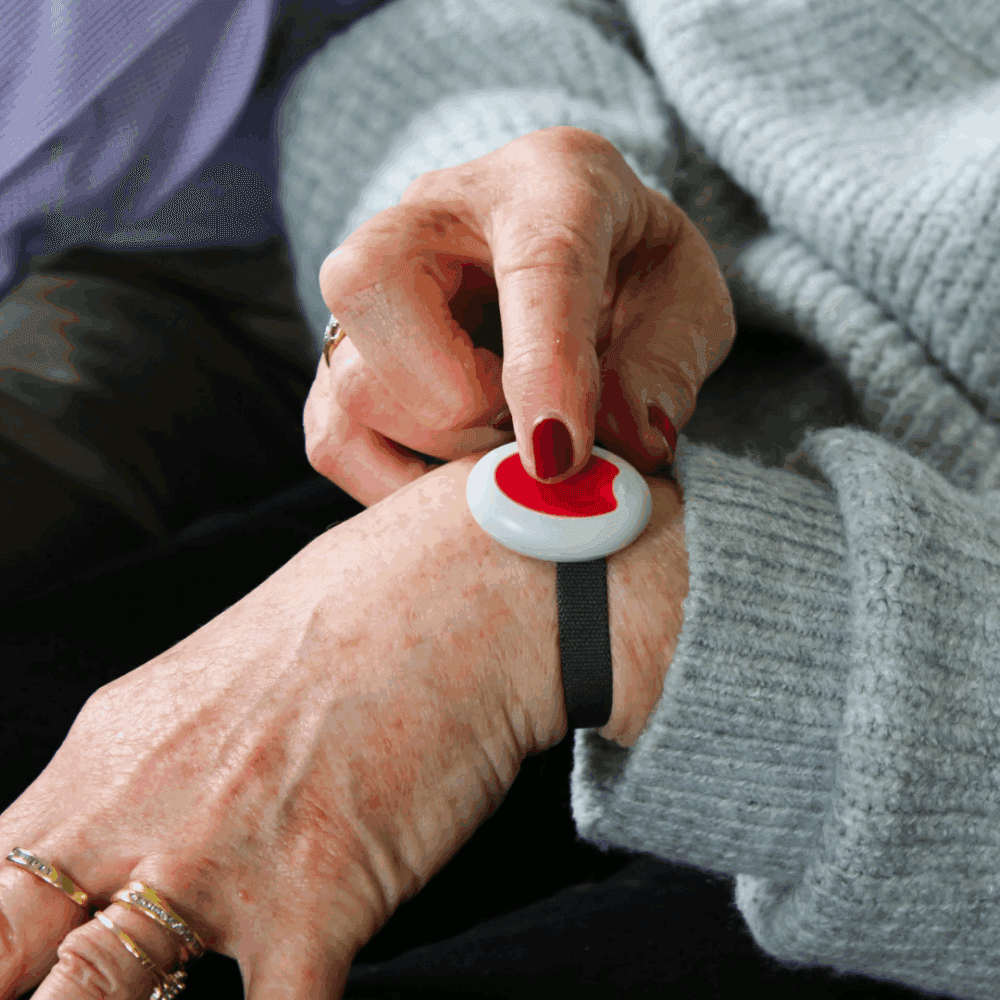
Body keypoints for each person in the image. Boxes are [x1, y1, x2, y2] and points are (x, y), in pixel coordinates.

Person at [3, 2, 1000, 1000]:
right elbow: (482, 18)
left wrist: (612, 605)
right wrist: (502, 249)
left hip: (914, 746)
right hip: (515, 493)